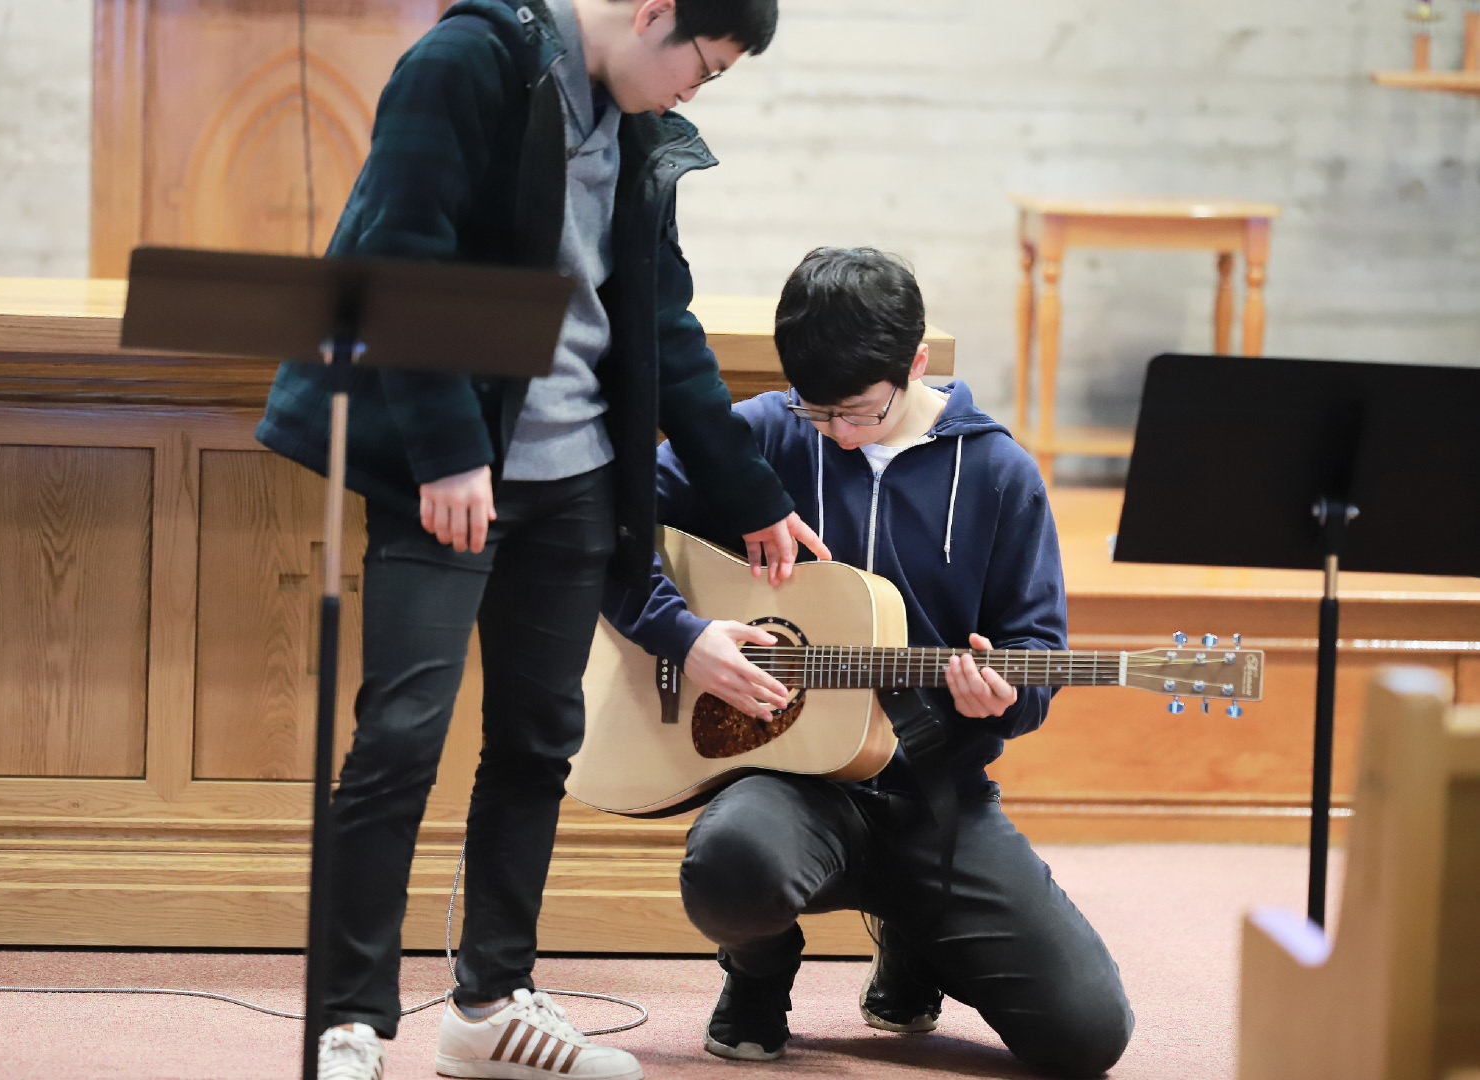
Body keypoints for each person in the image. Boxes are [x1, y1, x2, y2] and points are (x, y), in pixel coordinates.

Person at [255, 2, 827, 1078]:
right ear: (654, 11)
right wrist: (447, 451)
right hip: (451, 474)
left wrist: (748, 490)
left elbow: (663, 325)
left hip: (575, 481)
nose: (695, 92)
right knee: (399, 739)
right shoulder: (472, 59)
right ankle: (350, 1021)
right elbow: (399, 258)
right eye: (701, 67)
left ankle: (490, 1006)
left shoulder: (639, 131)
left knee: (535, 743)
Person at [603, 247, 1134, 1078]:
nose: (838, 434)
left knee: (1088, 1036)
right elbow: (609, 524)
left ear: (915, 363)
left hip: (938, 798)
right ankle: (759, 971)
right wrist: (682, 635)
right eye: (817, 413)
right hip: (789, 786)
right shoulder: (763, 434)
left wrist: (1004, 696)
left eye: (857, 412)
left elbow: (1037, 651)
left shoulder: (1000, 474)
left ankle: (916, 935)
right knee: (729, 865)